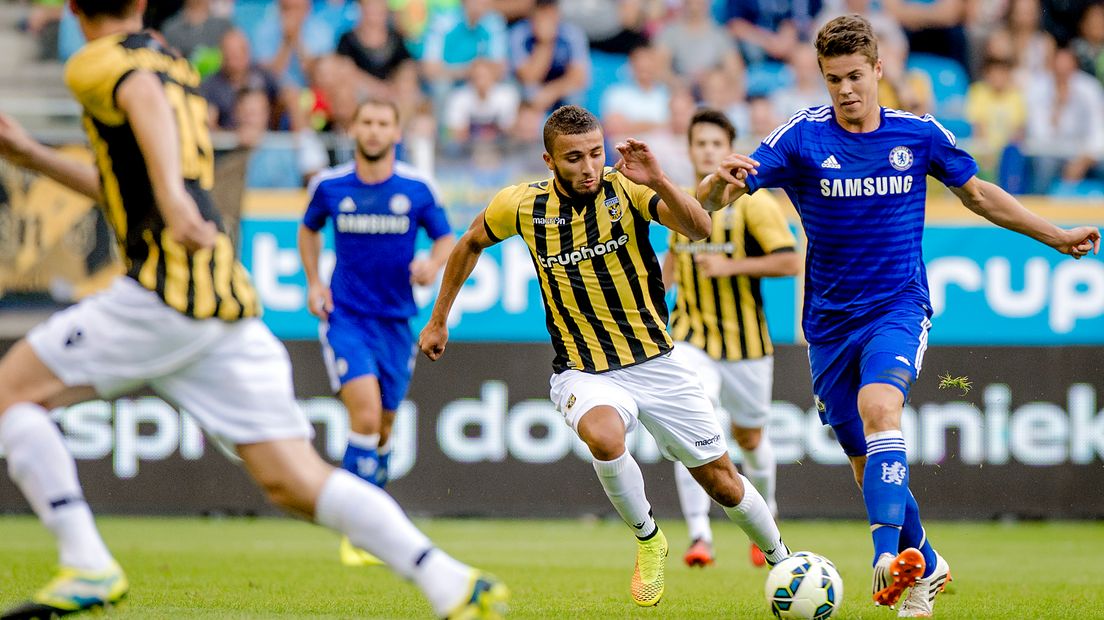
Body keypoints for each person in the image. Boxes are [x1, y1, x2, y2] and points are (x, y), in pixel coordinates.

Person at [0, 2, 506, 618]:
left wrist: (167, 194)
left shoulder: (98, 63)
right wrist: (33, 155)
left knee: (10, 397)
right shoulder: (174, 65)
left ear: (75, 9)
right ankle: (447, 579)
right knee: (295, 478)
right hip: (226, 301)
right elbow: (130, 185)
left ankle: (84, 561)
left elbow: (143, 112)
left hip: (162, 294)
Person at [699, 15, 1100, 617]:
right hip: (828, 325)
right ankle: (927, 562)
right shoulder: (801, 139)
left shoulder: (918, 135)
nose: (846, 90)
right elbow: (718, 200)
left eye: (856, 76)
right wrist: (713, 186)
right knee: (866, 463)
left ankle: (887, 559)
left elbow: (980, 194)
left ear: (880, 69)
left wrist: (1056, 235)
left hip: (897, 306)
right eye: (833, 79)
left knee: (880, 407)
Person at [419, 105, 791, 608]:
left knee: (724, 484)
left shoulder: (628, 189)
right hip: (583, 368)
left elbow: (699, 226)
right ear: (549, 161)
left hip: (657, 362)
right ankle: (649, 538)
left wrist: (658, 178)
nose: (589, 166)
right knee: (603, 434)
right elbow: (468, 244)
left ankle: (783, 560)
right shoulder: (521, 205)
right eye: (574, 158)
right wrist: (439, 318)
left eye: (596, 153)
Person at [298, 97, 456, 566]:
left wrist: (432, 262)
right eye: (365, 121)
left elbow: (447, 237)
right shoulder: (329, 186)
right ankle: (357, 530)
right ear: (353, 129)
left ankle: (369, 501)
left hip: (397, 321)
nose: (373, 130)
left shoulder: (417, 187)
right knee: (364, 417)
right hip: (346, 318)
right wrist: (313, 282)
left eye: (382, 122)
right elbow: (308, 230)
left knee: (384, 426)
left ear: (396, 132)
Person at [663, 109, 801, 569]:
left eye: (715, 144)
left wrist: (729, 266)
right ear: (689, 150)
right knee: (692, 424)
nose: (707, 151)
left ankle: (768, 515)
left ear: (730, 149)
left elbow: (789, 262)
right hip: (689, 335)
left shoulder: (755, 204)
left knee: (751, 437)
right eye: (699, 143)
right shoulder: (680, 202)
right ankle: (700, 535)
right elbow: (672, 260)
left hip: (745, 345)